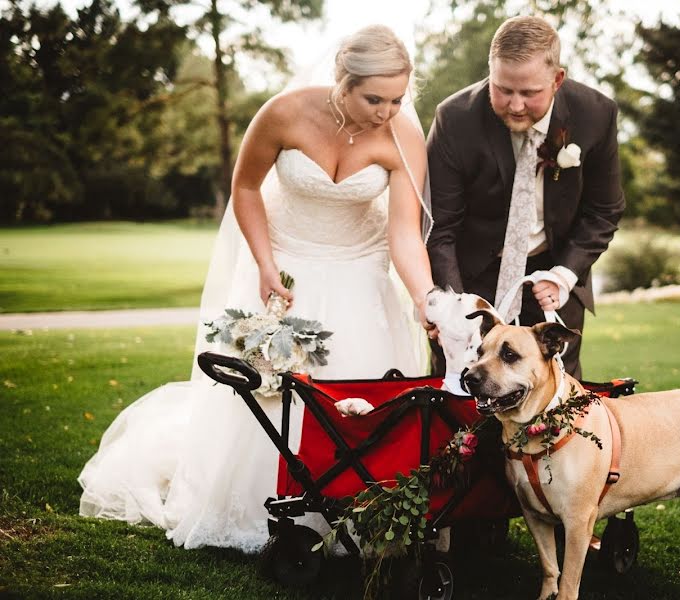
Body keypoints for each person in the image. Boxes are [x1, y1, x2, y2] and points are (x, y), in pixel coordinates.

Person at [78, 25, 435, 554]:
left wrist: (426, 297)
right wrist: (266, 265)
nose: (386, 112)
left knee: (351, 402)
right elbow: (245, 187)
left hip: (360, 277)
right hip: (283, 272)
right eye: (374, 98)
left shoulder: (403, 133)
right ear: (343, 80)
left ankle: (350, 513)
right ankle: (257, 509)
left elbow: (403, 232)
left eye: (398, 99)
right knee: (271, 398)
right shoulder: (283, 113)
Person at [427, 15, 626, 378]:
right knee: (463, 398)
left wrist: (565, 274)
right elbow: (440, 226)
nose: (515, 105)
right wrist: (454, 306)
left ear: (557, 79)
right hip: (473, 278)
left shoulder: (595, 114)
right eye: (503, 89)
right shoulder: (455, 119)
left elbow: (604, 208)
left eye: (529, 93)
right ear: (491, 72)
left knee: (556, 409)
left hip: (553, 278)